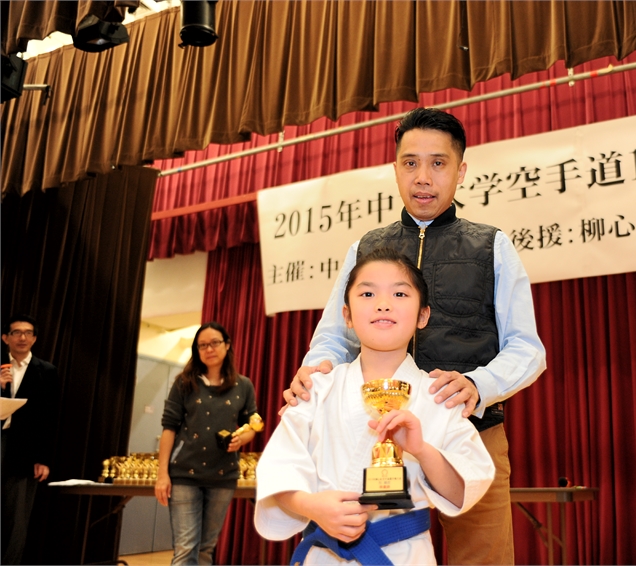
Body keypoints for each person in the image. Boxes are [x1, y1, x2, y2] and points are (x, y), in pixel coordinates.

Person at [283, 107, 547, 564]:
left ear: (460, 171)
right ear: (395, 169)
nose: (423, 177)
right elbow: (333, 338)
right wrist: (314, 373)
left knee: (482, 560)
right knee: (375, 554)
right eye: (410, 163)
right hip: (373, 437)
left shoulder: (492, 245)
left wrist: (478, 384)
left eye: (438, 163)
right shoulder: (366, 248)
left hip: (470, 434)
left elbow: (527, 348)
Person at [255, 248, 495, 564]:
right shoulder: (318, 388)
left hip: (405, 555)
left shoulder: (440, 396)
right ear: (347, 316)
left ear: (423, 316)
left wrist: (421, 449)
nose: (383, 303)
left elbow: (463, 490)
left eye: (400, 293)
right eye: (367, 293)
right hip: (325, 555)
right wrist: (312, 506)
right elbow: (278, 468)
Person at [155, 322, 261, 566]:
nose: (209, 349)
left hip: (223, 475)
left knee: (206, 548)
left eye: (214, 343)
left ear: (227, 345)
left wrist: (241, 439)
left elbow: (252, 425)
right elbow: (169, 427)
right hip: (184, 474)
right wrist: (162, 474)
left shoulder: (243, 385)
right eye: (202, 345)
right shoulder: (184, 383)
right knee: (185, 547)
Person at [0, 314, 61, 565]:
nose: (22, 337)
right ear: (5, 338)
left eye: (28, 333)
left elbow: (50, 418)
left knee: (16, 518)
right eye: (16, 332)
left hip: (24, 451)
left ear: (34, 338)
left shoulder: (46, 371)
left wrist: (43, 459)